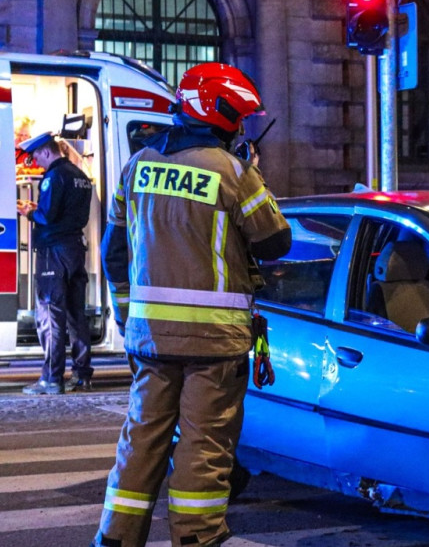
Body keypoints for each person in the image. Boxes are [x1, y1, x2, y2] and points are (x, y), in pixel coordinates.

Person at [93, 63, 291, 547]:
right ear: (217, 113)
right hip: (214, 342)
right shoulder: (232, 172)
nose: (241, 127)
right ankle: (196, 539)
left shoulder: (137, 165)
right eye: (237, 117)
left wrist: (126, 314)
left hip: (150, 337)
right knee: (204, 447)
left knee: (141, 440)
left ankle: (116, 538)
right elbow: (274, 241)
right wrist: (255, 174)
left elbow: (113, 252)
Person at [16, 132, 93, 394]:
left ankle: (51, 378)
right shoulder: (81, 176)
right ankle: (82, 375)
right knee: (75, 314)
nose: (35, 160)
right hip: (74, 249)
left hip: (53, 252)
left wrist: (29, 211)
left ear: (47, 152)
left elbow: (47, 216)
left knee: (50, 315)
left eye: (36, 155)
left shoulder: (53, 177)